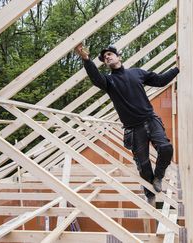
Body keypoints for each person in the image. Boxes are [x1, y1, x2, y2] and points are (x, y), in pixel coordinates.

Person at [74, 43, 179, 205]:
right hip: (134, 129)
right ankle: (149, 191)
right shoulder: (109, 81)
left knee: (166, 148)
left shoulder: (136, 73)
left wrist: (177, 69)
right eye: (104, 58)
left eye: (110, 54)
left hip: (151, 120)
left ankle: (158, 177)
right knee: (143, 165)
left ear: (118, 56)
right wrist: (86, 59)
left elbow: (160, 81)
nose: (107, 57)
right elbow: (96, 78)